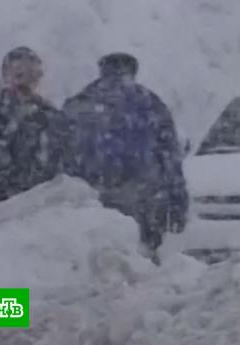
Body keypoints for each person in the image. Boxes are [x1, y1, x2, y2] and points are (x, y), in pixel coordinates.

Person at [63, 52, 188, 265]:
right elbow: (169, 158)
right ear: (133, 71)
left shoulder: (78, 104)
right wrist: (178, 202)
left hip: (89, 204)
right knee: (140, 268)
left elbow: (61, 158)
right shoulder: (150, 103)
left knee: (86, 265)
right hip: (142, 203)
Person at [0, 46, 72, 210]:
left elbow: (66, 166)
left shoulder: (52, 118)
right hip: (0, 214)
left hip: (48, 212)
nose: (26, 82)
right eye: (19, 75)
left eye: (33, 75)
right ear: (6, 76)